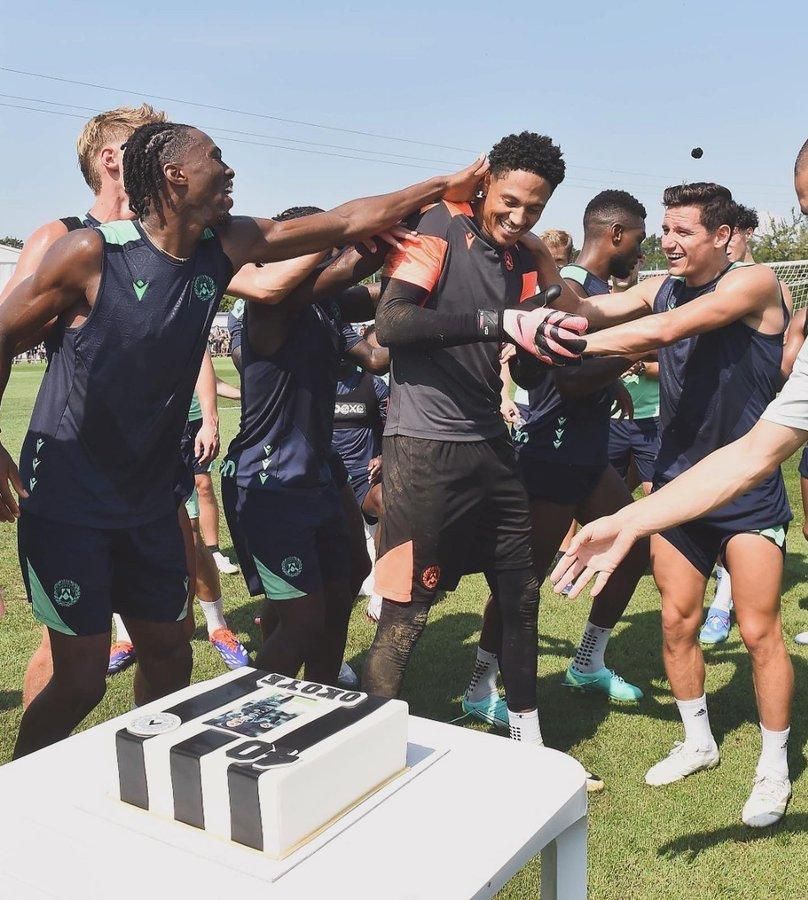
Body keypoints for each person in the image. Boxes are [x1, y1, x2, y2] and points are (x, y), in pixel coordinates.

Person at [0, 120, 496, 757]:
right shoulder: (91, 253)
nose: (229, 170)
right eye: (216, 158)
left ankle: (149, 774)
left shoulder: (227, 244)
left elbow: (347, 221)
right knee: (81, 681)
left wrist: (440, 190)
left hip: (151, 500)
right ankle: (19, 793)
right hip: (71, 499)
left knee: (172, 661)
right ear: (175, 176)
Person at [549, 175, 800, 828]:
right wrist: (541, 306)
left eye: (682, 230)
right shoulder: (662, 283)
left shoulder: (753, 283)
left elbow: (668, 327)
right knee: (676, 621)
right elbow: (608, 305)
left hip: (746, 485)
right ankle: (698, 739)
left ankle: (773, 763)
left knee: (757, 630)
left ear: (722, 235)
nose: (668, 242)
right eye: (664, 230)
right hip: (675, 487)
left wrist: (562, 341)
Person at [363, 131, 588, 753]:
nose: (518, 218)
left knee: (519, 597)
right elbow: (392, 323)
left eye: (534, 210)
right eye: (510, 201)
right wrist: (500, 322)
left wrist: (548, 327)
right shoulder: (440, 223)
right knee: (406, 614)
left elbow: (533, 370)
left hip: (492, 447)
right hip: (423, 449)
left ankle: (528, 744)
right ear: (486, 182)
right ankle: (374, 755)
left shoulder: (521, 261)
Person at [466, 190, 648, 735]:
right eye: (639, 238)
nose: (643, 248)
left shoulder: (592, 290)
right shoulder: (565, 288)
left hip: (588, 453)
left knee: (633, 549)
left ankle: (586, 662)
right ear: (614, 234)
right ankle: (480, 688)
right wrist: (629, 354)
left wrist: (612, 376)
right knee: (522, 583)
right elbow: (565, 377)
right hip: (554, 452)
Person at [699, 203, 795, 645]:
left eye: (731, 233)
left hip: (752, 430)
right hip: (703, 433)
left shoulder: (769, 285)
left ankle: (722, 602)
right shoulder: (704, 286)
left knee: (746, 525)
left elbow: (784, 364)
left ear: (745, 233)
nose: (725, 243)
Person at [608, 259, 661, 497]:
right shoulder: (597, 306)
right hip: (609, 418)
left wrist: (639, 365)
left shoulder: (655, 306)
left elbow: (676, 362)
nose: (626, 268)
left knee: (658, 494)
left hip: (652, 418)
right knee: (602, 494)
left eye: (632, 262)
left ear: (640, 262)